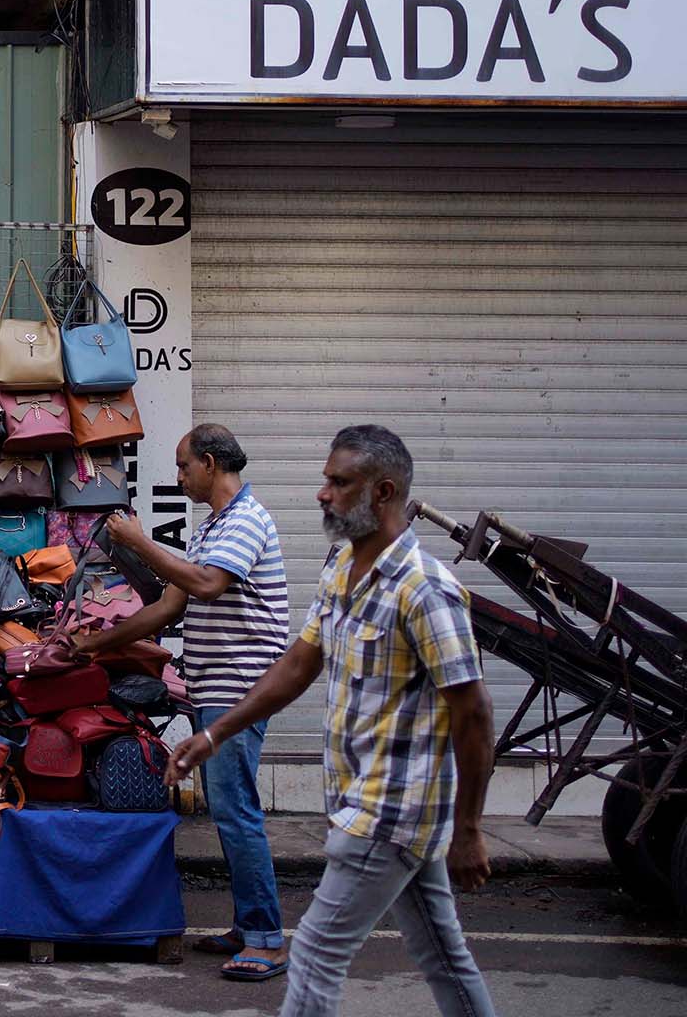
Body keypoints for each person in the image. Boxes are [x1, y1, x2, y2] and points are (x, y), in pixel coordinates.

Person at [168, 425, 497, 1017]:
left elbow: (473, 712)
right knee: (445, 958)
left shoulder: (425, 589)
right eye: (326, 478)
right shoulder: (343, 569)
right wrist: (214, 732)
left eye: (340, 482)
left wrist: (470, 827)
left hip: (392, 811)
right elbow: (297, 665)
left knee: (316, 953)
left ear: (384, 492)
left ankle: (263, 938)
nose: (323, 493)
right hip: (360, 800)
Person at [77, 423, 290, 982]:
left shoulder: (245, 519)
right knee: (228, 807)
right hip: (214, 687)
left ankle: (267, 939)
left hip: (238, 689)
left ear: (212, 463)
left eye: (183, 466)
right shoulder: (213, 525)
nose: (179, 477)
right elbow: (170, 607)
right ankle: (249, 925)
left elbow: (205, 586)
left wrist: (139, 541)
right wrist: (97, 643)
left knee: (236, 808)